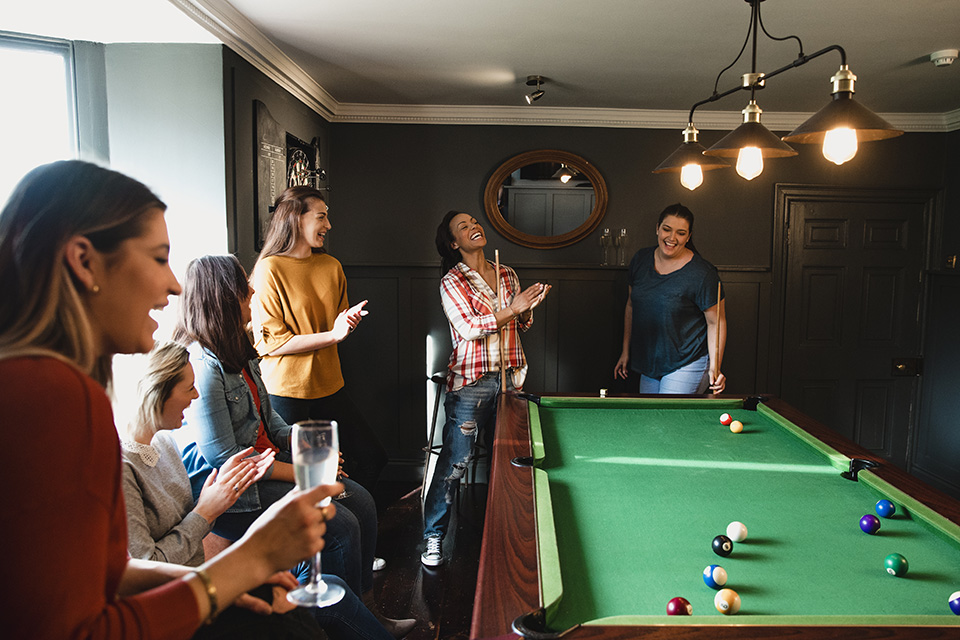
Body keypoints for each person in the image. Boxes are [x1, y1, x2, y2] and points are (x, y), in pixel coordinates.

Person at [0, 160, 339, 639]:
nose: (175, 285)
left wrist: (208, 578)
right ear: (84, 261)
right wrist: (250, 559)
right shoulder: (48, 398)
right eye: (159, 258)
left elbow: (101, 574)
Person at [174, 255, 414, 638]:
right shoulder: (203, 366)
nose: (252, 292)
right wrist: (307, 472)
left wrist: (314, 450)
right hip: (234, 491)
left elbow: (274, 426)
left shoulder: (240, 353)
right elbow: (225, 459)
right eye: (243, 286)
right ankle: (327, 625)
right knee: (339, 524)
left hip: (269, 468)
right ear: (222, 296)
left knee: (362, 502)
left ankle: (365, 611)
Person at [121, 341, 394, 640]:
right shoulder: (122, 469)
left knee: (330, 584)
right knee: (333, 591)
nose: (196, 396)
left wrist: (217, 501)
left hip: (209, 582)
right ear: (156, 392)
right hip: (182, 608)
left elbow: (191, 524)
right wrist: (206, 512)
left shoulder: (163, 443)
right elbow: (147, 570)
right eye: (189, 389)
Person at [422, 210, 551, 566]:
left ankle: (505, 537)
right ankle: (433, 537)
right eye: (463, 227)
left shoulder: (507, 273)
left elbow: (518, 325)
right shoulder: (452, 281)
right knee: (455, 464)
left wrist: (527, 309)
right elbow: (470, 328)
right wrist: (514, 308)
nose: (473, 227)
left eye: (474, 222)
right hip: (472, 382)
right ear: (453, 243)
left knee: (509, 464)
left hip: (511, 377)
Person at [249, 186, 387, 493]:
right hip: (285, 391)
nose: (328, 225)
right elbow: (272, 344)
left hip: (329, 384)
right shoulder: (269, 269)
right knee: (302, 478)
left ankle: (339, 527)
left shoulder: (331, 266)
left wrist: (345, 326)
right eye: (321, 217)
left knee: (370, 458)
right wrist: (333, 334)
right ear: (295, 219)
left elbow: (337, 328)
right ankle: (314, 537)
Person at [614, 203, 727, 394]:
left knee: (667, 419)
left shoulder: (703, 273)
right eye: (667, 229)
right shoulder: (641, 260)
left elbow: (716, 322)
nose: (672, 238)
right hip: (649, 363)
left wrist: (715, 367)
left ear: (689, 236)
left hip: (686, 360)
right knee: (650, 420)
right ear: (657, 228)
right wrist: (626, 351)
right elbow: (631, 306)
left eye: (681, 233)